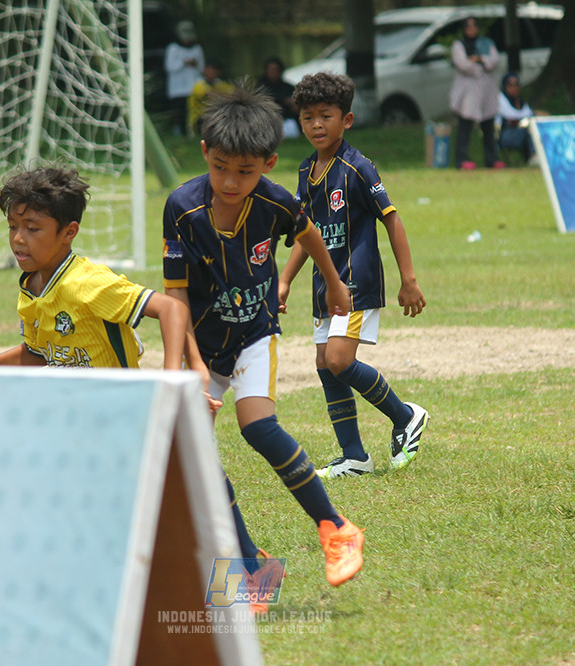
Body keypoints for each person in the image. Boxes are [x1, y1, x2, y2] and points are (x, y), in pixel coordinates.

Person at [0, 165, 280, 610]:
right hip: (82, 422)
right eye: (13, 226)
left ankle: (251, 569)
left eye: (33, 228)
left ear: (68, 232)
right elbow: (36, 351)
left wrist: (172, 378)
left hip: (129, 413)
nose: (18, 239)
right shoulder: (32, 287)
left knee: (197, 485)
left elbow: (171, 310)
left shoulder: (87, 283)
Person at [162, 85, 365, 587]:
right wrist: (185, 364)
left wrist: (335, 284)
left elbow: (308, 232)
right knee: (196, 458)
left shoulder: (276, 202)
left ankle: (337, 527)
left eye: (246, 171)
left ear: (269, 163)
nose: (231, 182)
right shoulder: (181, 209)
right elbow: (176, 296)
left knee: (257, 426)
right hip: (201, 346)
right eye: (221, 167)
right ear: (205, 153)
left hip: (255, 332)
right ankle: (253, 568)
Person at [279, 71, 429, 479]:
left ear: (345, 120)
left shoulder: (358, 167)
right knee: (324, 364)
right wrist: (285, 279)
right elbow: (303, 232)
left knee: (339, 359)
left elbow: (391, 219)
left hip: (355, 281)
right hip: (323, 286)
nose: (316, 125)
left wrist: (408, 279)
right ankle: (354, 456)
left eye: (325, 116)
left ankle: (405, 416)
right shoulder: (306, 171)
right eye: (307, 117)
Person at [449, 17, 504, 170]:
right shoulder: (459, 45)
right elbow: (462, 64)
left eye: (474, 26)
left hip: (486, 91)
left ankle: (492, 159)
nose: (472, 29)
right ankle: (462, 159)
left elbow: (493, 60)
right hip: (468, 91)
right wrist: (478, 63)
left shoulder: (486, 43)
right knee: (465, 127)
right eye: (468, 26)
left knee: (488, 127)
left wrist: (479, 58)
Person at [164, 20, 205, 136]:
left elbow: (202, 68)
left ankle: (192, 132)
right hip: (178, 87)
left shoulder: (197, 49)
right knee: (179, 112)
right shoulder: (173, 48)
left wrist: (194, 63)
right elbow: (169, 66)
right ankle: (179, 132)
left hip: (193, 86)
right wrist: (183, 63)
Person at [496, 72, 538, 165]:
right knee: (529, 131)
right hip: (505, 134)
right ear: (504, 86)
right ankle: (533, 156)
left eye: (516, 85)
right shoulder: (500, 99)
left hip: (521, 131)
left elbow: (530, 114)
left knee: (535, 130)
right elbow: (510, 115)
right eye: (511, 85)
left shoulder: (521, 101)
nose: (514, 88)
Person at [186, 59, 234, 136]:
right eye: (212, 68)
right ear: (205, 69)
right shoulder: (198, 84)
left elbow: (236, 92)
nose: (214, 72)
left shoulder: (219, 83)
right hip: (200, 120)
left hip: (215, 117)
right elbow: (211, 94)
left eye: (217, 69)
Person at [257, 56, 300, 139]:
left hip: (286, 121)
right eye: (271, 70)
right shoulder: (260, 88)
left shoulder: (288, 88)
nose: (273, 72)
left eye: (276, 70)